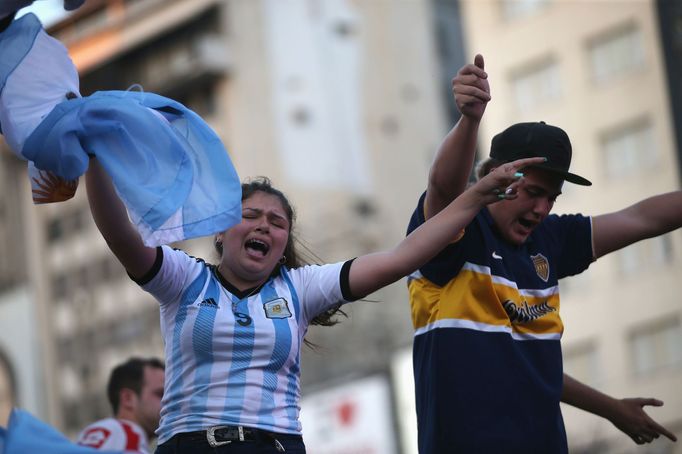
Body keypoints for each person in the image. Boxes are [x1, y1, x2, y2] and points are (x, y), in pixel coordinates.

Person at [0, 8, 548, 453]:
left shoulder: (301, 290)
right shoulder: (184, 281)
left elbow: (406, 255)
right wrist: (94, 150)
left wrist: (475, 196)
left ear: (286, 241)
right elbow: (120, 234)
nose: (264, 226)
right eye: (251, 216)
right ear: (220, 233)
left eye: (277, 222)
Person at [407, 54, 682, 453]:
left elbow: (640, 219)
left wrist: (610, 409)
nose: (541, 210)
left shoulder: (549, 241)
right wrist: (469, 121)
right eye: (533, 192)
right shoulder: (457, 233)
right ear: (493, 177)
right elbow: (444, 187)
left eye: (551, 198)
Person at [76, 358, 165, 453]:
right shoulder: (123, 434)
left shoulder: (111, 434)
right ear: (128, 398)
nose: (167, 402)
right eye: (160, 394)